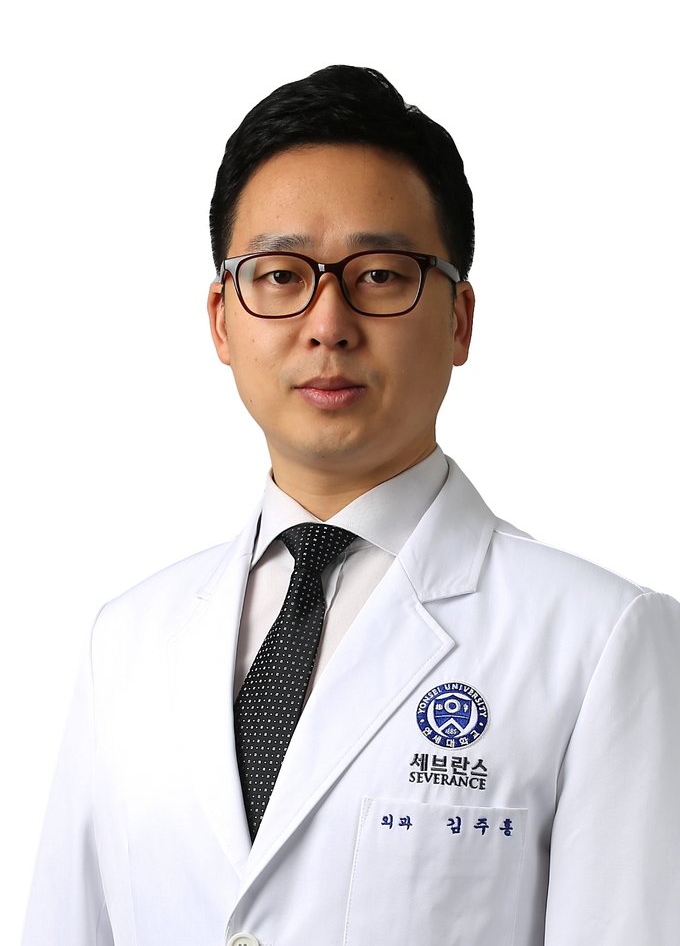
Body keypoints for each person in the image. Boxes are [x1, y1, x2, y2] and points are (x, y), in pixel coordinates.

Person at [22, 65, 680, 946]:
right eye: (280, 275)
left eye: (378, 274)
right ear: (221, 320)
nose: (328, 323)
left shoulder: (600, 643)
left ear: (459, 319)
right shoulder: (126, 642)